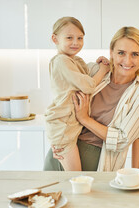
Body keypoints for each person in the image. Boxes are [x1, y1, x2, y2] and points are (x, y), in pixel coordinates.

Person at [44, 26, 139, 171]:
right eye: (121, 53)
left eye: (135, 54)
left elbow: (121, 140)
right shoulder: (93, 71)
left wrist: (85, 119)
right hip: (61, 153)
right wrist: (58, 138)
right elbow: (63, 96)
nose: (127, 61)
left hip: (96, 162)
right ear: (111, 52)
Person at [45, 16, 110, 171]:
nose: (75, 42)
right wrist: (102, 70)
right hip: (63, 127)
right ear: (55, 39)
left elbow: (85, 75)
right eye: (69, 37)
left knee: (74, 178)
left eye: (80, 38)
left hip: (68, 126)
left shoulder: (73, 60)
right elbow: (88, 85)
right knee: (75, 176)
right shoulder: (61, 61)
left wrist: (98, 62)